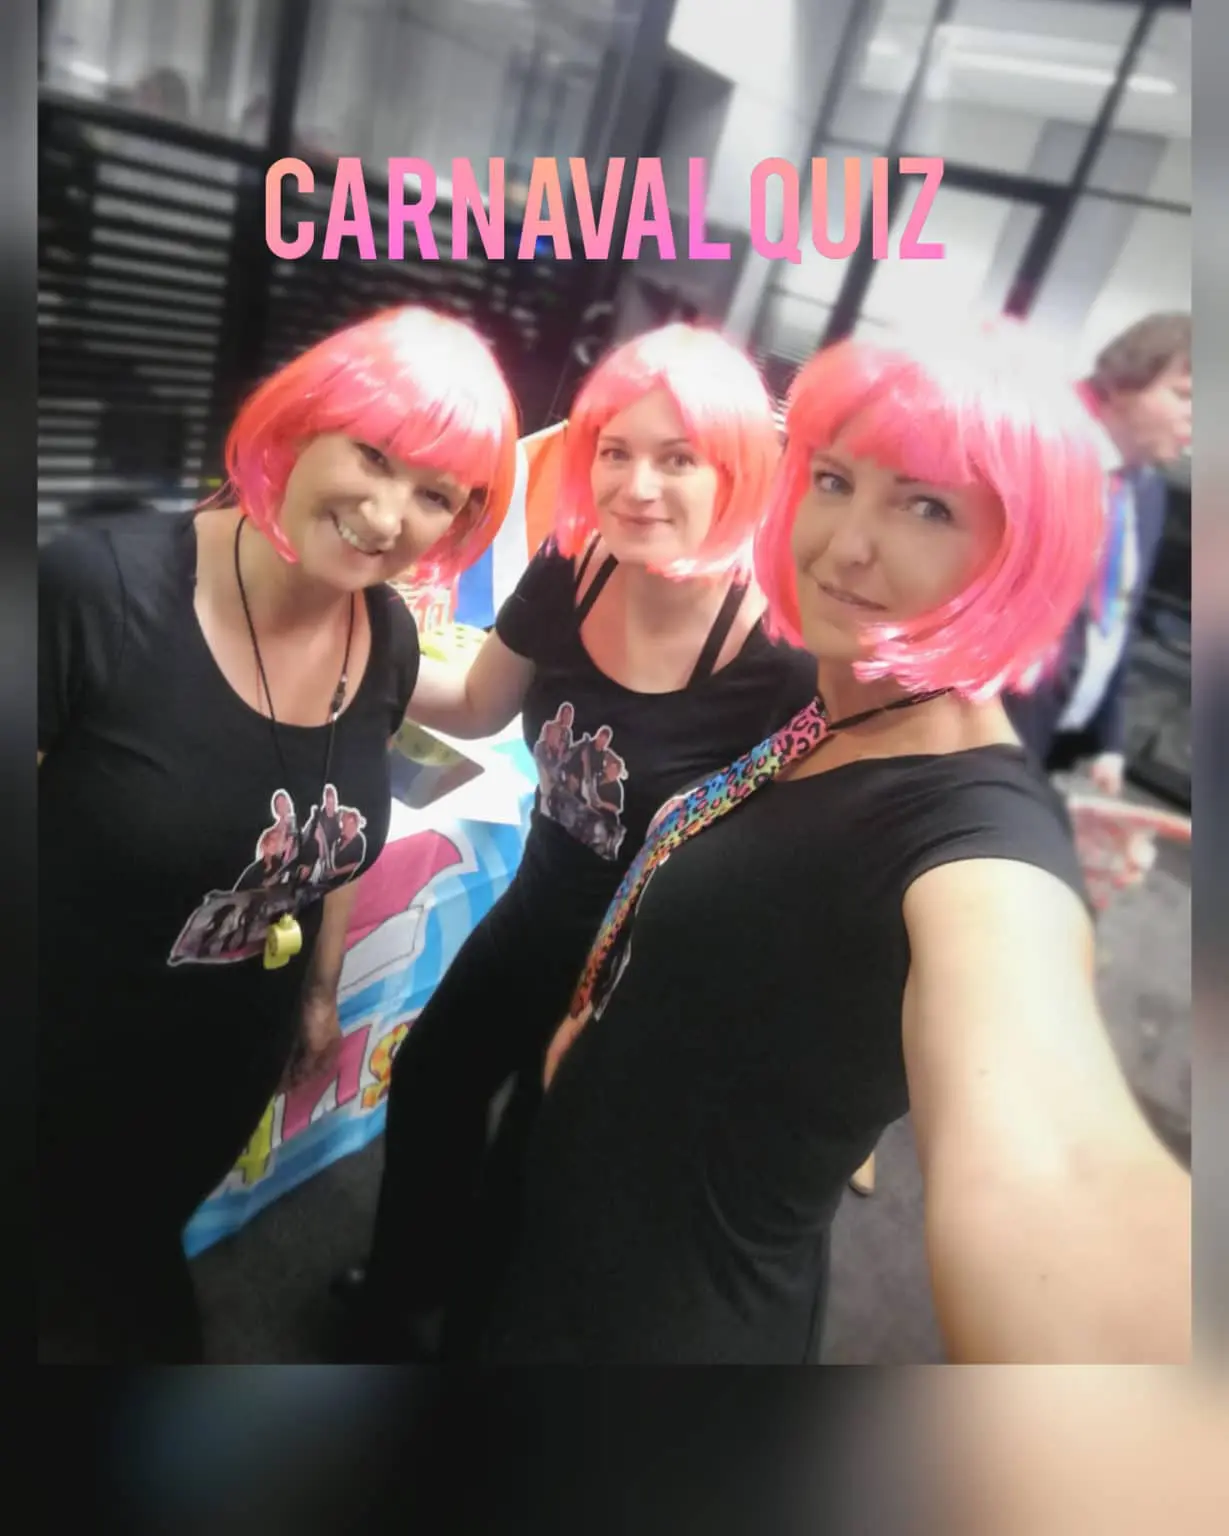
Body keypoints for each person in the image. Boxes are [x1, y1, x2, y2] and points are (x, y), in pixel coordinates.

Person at [478, 323, 1192, 1365]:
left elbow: (1057, 1168)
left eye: (926, 506)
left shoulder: (980, 846)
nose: (844, 544)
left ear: (1016, 551)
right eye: (832, 480)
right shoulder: (835, 706)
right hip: (576, 1239)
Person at [37, 304, 519, 1362]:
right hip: (56, 1050)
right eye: (373, 454)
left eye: (434, 493)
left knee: (127, 1253)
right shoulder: (98, 591)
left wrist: (318, 988)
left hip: (222, 1054)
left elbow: (330, 832)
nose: (387, 515)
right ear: (303, 422)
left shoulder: (383, 634)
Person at [334, 323, 819, 1360]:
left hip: (645, 973)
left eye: (677, 458)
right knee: (432, 1081)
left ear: (736, 469)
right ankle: (402, 1292)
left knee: (535, 1169)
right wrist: (345, 633)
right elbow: (474, 702)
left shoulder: (780, 654)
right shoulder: (573, 565)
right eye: (613, 450)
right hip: (539, 907)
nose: (635, 486)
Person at [1005, 312, 1191, 794]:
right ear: (1124, 384)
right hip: (987, 727)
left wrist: (1110, 740)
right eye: (1184, 395)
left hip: (1057, 734)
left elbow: (1118, 618)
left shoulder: (1147, 491)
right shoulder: (1042, 459)